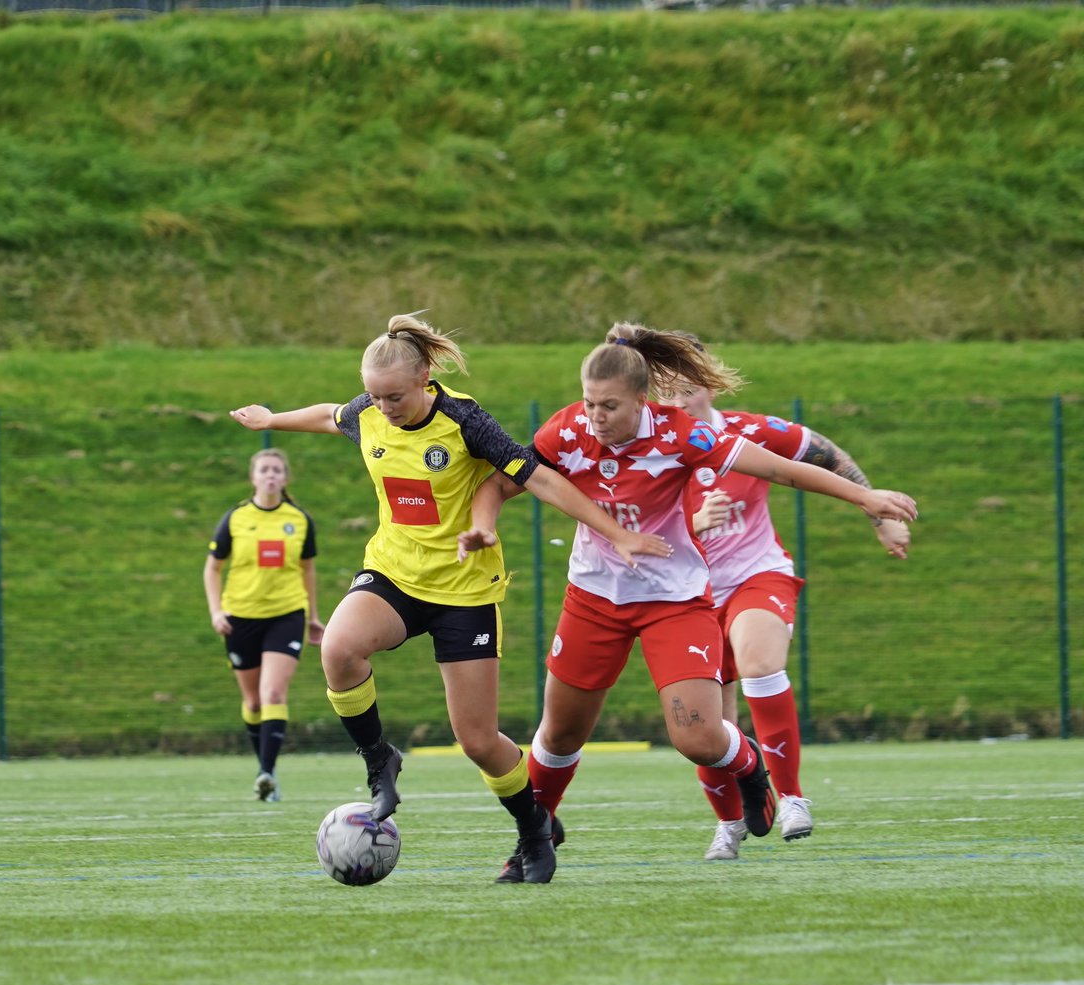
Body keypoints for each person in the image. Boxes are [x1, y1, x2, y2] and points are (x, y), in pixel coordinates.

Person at [461, 322, 917, 882]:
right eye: (589, 402)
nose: (595, 417)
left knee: (698, 738)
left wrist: (865, 498)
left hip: (673, 601)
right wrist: (483, 525)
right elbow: (500, 482)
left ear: (641, 400)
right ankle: (533, 840)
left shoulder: (681, 435)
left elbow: (779, 468)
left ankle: (749, 767)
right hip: (594, 599)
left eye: (609, 406)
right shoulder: (567, 431)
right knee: (558, 734)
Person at [228, 312, 672, 884]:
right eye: (374, 396)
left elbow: (537, 477)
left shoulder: (464, 420)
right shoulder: (368, 412)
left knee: (479, 742)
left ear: (424, 380)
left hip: (463, 590)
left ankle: (535, 829)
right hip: (393, 574)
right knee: (338, 649)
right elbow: (330, 415)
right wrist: (272, 419)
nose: (383, 407)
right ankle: (379, 760)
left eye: (394, 397)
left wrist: (616, 533)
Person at [663, 382, 911, 861]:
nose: (677, 401)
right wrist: (693, 523)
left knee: (760, 664)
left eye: (686, 389)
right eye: (664, 392)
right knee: (707, 727)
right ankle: (729, 824)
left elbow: (826, 454)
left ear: (709, 387)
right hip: (690, 595)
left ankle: (793, 798)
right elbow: (626, 533)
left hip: (758, 576)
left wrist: (877, 514)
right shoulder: (650, 449)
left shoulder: (750, 432)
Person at [203, 447, 325, 803]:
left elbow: (308, 570)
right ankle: (265, 772)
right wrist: (216, 612)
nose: (270, 475)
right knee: (254, 702)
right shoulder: (236, 518)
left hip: (286, 614)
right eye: (264, 470)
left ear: (285, 478)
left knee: (273, 694)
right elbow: (212, 568)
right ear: (253, 477)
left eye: (276, 470)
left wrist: (312, 616)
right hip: (240, 616)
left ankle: (267, 773)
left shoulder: (299, 520)